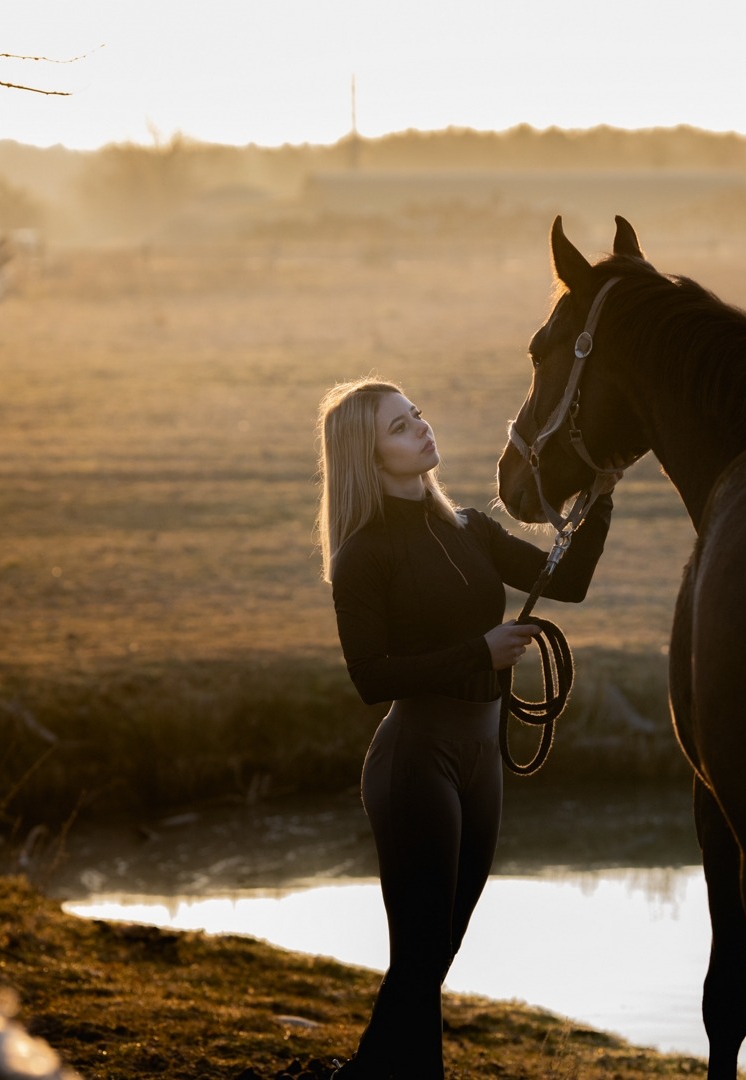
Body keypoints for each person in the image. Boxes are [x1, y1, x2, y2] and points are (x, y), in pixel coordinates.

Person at [315, 377, 616, 1079]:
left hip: (481, 757)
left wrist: (600, 495)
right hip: (416, 761)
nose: (420, 427)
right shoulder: (362, 555)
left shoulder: (471, 528)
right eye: (398, 427)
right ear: (368, 454)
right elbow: (371, 677)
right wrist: (478, 654)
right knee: (420, 960)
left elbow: (563, 580)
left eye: (415, 414)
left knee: (434, 955)